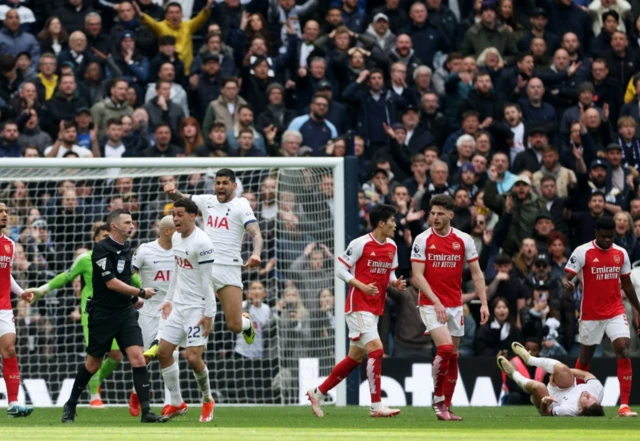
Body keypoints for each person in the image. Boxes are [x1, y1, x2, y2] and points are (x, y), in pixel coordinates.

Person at [60, 209, 166, 423]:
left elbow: (124, 279)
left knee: (138, 358)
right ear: (114, 226)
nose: (132, 225)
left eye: (133, 222)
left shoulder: (126, 248)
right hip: (102, 315)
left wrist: (132, 300)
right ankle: (70, 404)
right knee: (92, 365)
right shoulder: (101, 249)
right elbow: (111, 283)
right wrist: (140, 293)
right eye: (127, 222)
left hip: (125, 313)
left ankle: (146, 412)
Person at [307, 204, 406, 418]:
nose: (395, 225)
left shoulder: (392, 246)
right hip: (358, 304)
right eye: (392, 221)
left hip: (374, 307)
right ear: (381, 223)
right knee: (377, 350)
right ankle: (376, 405)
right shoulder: (360, 244)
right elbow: (340, 269)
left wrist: (394, 283)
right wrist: (361, 285)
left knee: (354, 359)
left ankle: (318, 393)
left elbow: (388, 274)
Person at [27, 225, 132, 408]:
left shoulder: (118, 257)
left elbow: (133, 280)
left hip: (114, 312)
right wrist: (42, 290)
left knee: (116, 356)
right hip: (91, 313)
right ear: (96, 239)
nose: (108, 238)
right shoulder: (85, 259)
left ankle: (96, 383)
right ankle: (94, 397)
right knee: (95, 355)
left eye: (110, 235)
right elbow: (65, 276)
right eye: (104, 236)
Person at [410, 194, 489, 421]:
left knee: (453, 356)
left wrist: (483, 303)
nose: (434, 218)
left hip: (455, 305)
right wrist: (435, 301)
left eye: (440, 214)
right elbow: (417, 276)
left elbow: (476, 273)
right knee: (444, 349)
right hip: (430, 303)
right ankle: (437, 400)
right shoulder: (422, 240)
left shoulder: (463, 239)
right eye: (432, 213)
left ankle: (446, 406)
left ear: (451, 216)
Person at [163, 168, 261, 344]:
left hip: (228, 268)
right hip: (203, 264)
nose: (220, 186)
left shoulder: (241, 204)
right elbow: (181, 199)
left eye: (225, 183)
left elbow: (255, 232)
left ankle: (246, 322)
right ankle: (164, 342)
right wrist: (172, 191)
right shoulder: (207, 201)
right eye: (218, 183)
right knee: (183, 305)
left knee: (234, 326)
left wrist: (256, 253)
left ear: (234, 185)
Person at [562, 216, 640, 417]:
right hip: (591, 314)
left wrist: (638, 308)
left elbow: (628, 285)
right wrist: (567, 284)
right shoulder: (582, 251)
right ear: (596, 233)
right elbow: (566, 277)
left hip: (615, 310)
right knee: (585, 359)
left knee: (623, 350)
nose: (608, 240)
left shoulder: (621, 253)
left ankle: (624, 406)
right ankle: (576, 396)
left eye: (611, 237)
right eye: (604, 236)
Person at [156, 198, 216, 422]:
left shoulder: (202, 243)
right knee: (163, 353)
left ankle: (208, 399)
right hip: (178, 306)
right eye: (174, 214)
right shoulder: (176, 238)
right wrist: (169, 299)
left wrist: (208, 314)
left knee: (192, 358)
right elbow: (177, 269)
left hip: (197, 308)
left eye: (180, 214)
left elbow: (207, 282)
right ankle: (176, 402)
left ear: (193, 216)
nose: (175, 219)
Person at [128, 215, 177, 417]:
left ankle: (170, 403)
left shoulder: (183, 249)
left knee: (170, 355)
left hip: (172, 311)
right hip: (148, 310)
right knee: (143, 357)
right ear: (167, 231)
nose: (181, 232)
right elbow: (128, 275)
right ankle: (135, 393)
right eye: (177, 228)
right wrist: (135, 295)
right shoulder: (145, 250)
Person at [497, 342, 605, 417]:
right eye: (592, 398)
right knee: (563, 369)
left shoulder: (569, 410)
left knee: (539, 386)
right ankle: (530, 359)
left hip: (551, 398)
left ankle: (513, 374)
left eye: (587, 399)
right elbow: (586, 375)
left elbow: (546, 414)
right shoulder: (597, 391)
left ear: (580, 409)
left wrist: (544, 404)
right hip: (565, 385)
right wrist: (556, 373)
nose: (588, 394)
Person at [0, 202, 34, 417]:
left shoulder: (9, 245)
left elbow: (7, 274)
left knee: (9, 349)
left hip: (3, 306)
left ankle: (13, 403)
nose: (4, 215)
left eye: (5, 211)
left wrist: (21, 292)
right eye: (0, 211)